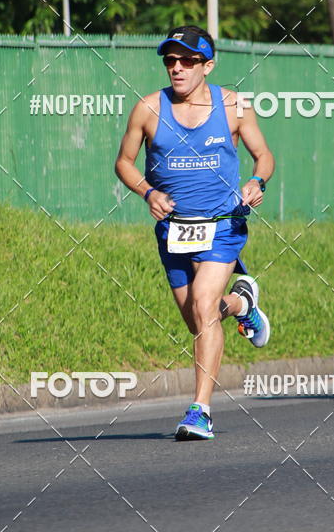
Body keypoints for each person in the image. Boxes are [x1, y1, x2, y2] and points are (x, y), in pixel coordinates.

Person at [115, 24, 275, 439]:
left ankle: (200, 411)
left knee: (205, 309)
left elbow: (264, 156)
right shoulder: (148, 109)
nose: (177, 68)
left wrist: (257, 183)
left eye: (188, 61)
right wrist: (147, 192)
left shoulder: (234, 106)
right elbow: (124, 163)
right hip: (174, 230)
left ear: (208, 65)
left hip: (223, 225)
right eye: (171, 60)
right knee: (197, 320)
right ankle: (242, 305)